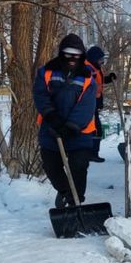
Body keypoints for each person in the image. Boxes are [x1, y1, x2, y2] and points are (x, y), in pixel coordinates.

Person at [33, 33, 98, 208]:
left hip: (79, 132)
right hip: (51, 129)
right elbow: (40, 94)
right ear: (61, 53)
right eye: (68, 53)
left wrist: (71, 126)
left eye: (76, 54)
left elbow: (87, 105)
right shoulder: (46, 72)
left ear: (82, 55)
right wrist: (51, 116)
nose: (72, 58)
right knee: (51, 166)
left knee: (78, 165)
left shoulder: (87, 78)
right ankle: (65, 192)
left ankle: (76, 201)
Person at [84, 45, 117, 163]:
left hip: (94, 104)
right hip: (89, 104)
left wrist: (109, 78)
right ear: (94, 58)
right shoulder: (88, 69)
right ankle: (91, 153)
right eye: (100, 59)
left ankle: (91, 153)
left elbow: (99, 82)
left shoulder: (95, 68)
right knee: (95, 129)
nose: (102, 62)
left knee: (96, 129)